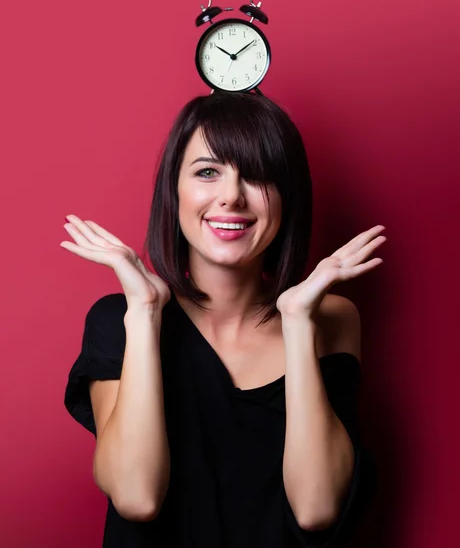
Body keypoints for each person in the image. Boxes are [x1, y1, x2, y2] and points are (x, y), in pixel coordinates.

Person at [62, 91, 384, 547]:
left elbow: (316, 509)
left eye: (256, 175)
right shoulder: (121, 319)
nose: (231, 196)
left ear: (287, 196)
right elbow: (136, 497)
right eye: (208, 172)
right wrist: (145, 312)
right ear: (174, 189)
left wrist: (296, 320)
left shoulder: (330, 318)